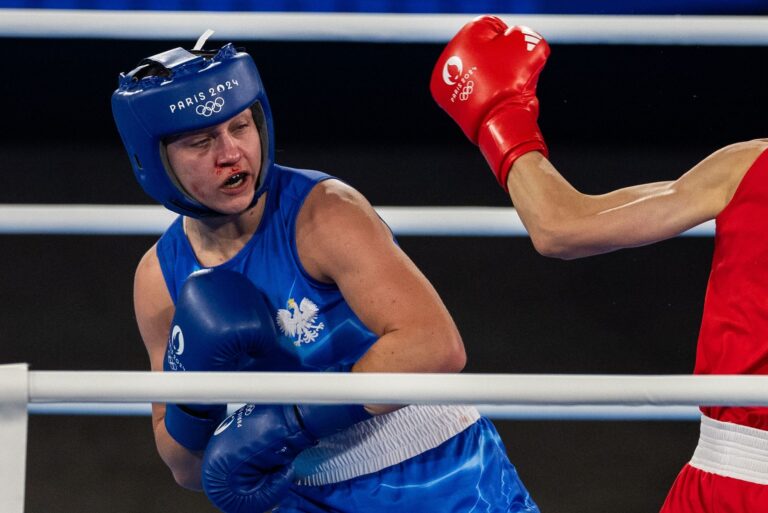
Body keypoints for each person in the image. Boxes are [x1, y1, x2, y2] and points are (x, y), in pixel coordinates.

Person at [111, 38, 540, 513]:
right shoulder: (159, 279)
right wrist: (197, 405)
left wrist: (292, 418)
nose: (232, 153)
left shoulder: (325, 214)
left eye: (241, 126)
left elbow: (436, 346)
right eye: (201, 141)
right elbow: (183, 467)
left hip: (434, 469)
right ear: (154, 160)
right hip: (300, 494)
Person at [431, 15, 768, 513]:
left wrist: (502, 120)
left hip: (735, 484)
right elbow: (562, 227)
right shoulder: (748, 169)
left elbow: (560, 226)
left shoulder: (749, 168)